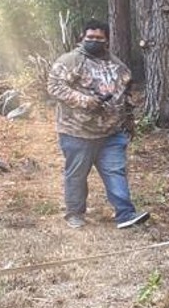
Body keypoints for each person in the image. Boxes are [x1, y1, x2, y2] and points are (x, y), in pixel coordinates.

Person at [46, 20, 150, 230]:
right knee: (76, 174)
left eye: (99, 38)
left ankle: (125, 214)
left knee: (116, 172)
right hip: (77, 131)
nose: (94, 41)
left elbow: (125, 95)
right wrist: (85, 100)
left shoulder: (118, 66)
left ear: (107, 40)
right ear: (82, 38)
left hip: (111, 132)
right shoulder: (70, 61)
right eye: (90, 37)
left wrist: (129, 122)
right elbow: (54, 86)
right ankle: (74, 213)